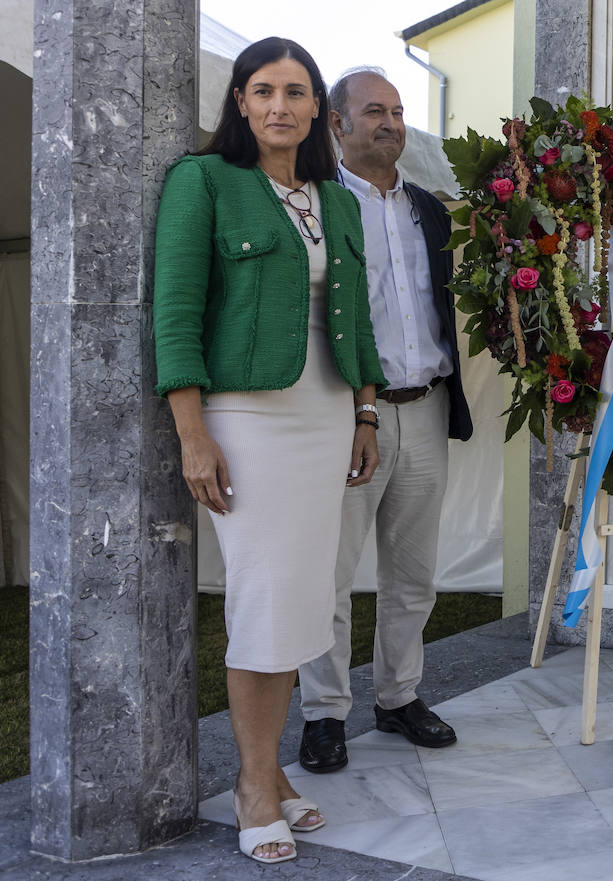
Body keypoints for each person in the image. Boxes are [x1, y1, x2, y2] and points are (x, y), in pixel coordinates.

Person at [153, 38, 387, 864]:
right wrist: (193, 433)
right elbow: (176, 310)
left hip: (328, 417)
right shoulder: (204, 181)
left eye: (295, 91)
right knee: (263, 599)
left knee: (302, 602)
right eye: (263, 91)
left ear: (317, 107)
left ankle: (274, 768)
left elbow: (355, 323)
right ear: (241, 103)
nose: (279, 106)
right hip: (247, 421)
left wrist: (365, 414)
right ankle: (254, 783)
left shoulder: (337, 199)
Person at [296, 67, 473, 773]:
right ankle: (324, 713)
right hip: (346, 415)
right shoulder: (315, 206)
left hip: (425, 406)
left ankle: (399, 696)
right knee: (331, 574)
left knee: (414, 573)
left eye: (398, 112)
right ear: (335, 124)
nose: (391, 123)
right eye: (375, 111)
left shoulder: (430, 209)